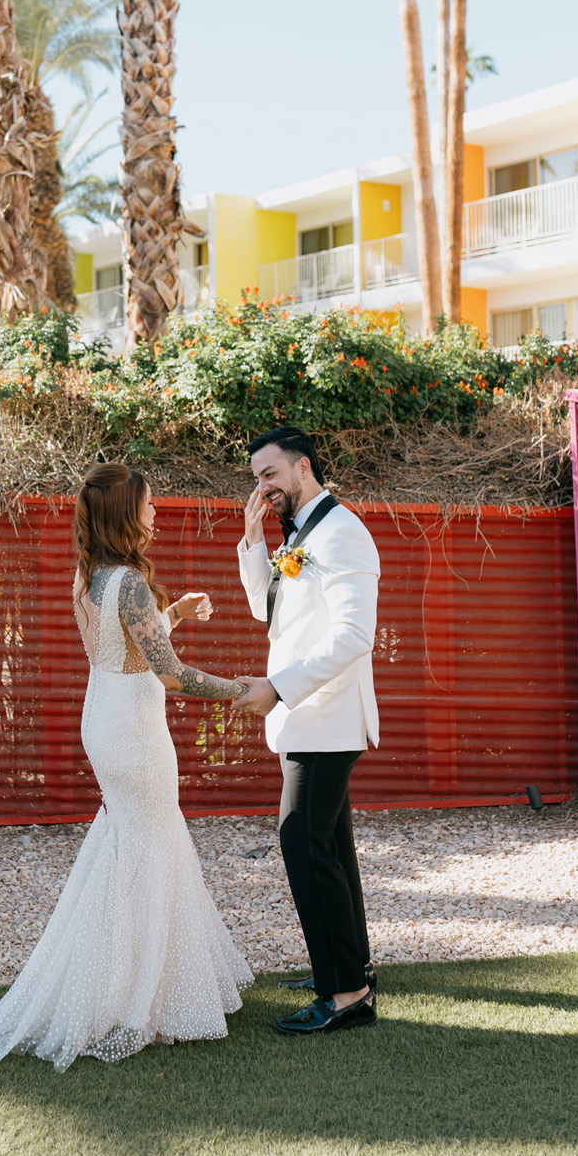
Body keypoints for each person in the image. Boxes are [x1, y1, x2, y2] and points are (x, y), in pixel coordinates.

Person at [0, 463, 251, 1080]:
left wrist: (175, 613)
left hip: (106, 715)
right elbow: (171, 674)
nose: (157, 512)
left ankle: (132, 984)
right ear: (125, 515)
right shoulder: (130, 584)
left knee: (131, 844)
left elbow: (120, 648)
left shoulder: (91, 575)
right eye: (150, 504)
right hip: (134, 730)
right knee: (147, 846)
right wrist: (245, 689)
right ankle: (139, 1002)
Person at [232, 426, 380, 1036]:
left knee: (303, 841)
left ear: (303, 468)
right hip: (308, 718)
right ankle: (354, 966)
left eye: (269, 475)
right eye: (255, 480)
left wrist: (279, 688)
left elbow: (353, 636)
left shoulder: (342, 532)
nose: (261, 488)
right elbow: (267, 612)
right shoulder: (301, 533)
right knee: (332, 845)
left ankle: (344, 994)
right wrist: (252, 542)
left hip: (326, 717)